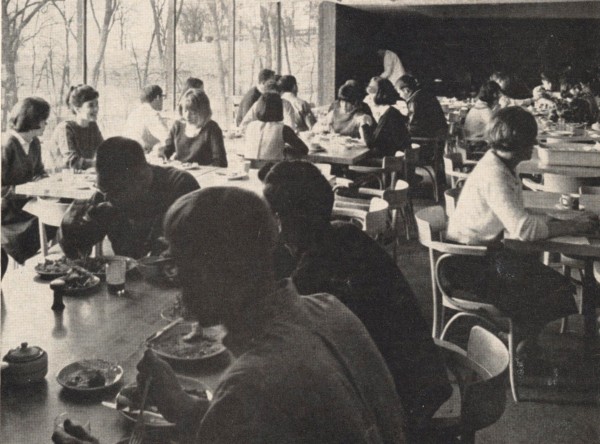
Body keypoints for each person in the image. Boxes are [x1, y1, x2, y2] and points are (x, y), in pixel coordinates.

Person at [53, 187, 407, 444]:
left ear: (214, 272)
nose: (176, 279)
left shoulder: (250, 384)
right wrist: (180, 405)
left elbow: (249, 406)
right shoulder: (329, 308)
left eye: (179, 263)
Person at [263, 161, 451, 439]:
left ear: (282, 220)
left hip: (398, 407)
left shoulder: (314, 272)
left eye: (270, 214)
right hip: (422, 380)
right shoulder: (344, 233)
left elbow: (277, 331)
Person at [445, 107, 597, 357]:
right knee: (553, 288)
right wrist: (572, 226)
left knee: (552, 284)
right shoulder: (495, 174)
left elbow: (518, 216)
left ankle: (521, 341)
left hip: (481, 255)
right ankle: (518, 346)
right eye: (531, 140)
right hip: (467, 265)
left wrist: (561, 220)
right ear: (518, 143)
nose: (534, 145)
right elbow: (524, 229)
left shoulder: (502, 164)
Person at [60, 137, 199, 259]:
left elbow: (190, 256)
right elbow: (76, 254)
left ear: (142, 178)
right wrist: (69, 230)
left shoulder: (181, 188)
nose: (108, 198)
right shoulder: (106, 195)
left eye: (115, 191)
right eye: (103, 189)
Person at [2, 97, 52, 267]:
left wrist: (42, 181)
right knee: (51, 221)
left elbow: (40, 172)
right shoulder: (6, 145)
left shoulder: (34, 142)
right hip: (8, 215)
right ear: (33, 120)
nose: (46, 124)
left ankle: (49, 267)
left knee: (61, 219)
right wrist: (23, 190)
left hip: (27, 207)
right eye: (44, 120)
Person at [159, 88, 227, 167]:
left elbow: (220, 162)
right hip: (180, 171)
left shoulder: (212, 128)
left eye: (193, 112)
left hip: (205, 173)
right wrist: (162, 155)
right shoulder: (177, 126)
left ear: (203, 112)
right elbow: (166, 150)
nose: (187, 116)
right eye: (185, 111)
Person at [244, 93, 308, 163]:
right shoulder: (283, 129)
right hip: (273, 168)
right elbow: (304, 150)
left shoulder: (250, 126)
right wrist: (285, 150)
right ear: (279, 109)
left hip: (250, 167)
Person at [50, 84, 103, 170]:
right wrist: (99, 163)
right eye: (91, 105)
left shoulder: (93, 126)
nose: (96, 109)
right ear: (77, 109)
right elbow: (72, 162)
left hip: (81, 175)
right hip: (59, 176)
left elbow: (104, 151)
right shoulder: (65, 128)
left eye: (97, 104)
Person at [124, 84, 170, 153]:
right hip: (136, 154)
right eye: (162, 97)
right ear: (158, 97)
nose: (162, 101)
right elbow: (167, 138)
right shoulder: (151, 113)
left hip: (126, 151)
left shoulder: (134, 112)